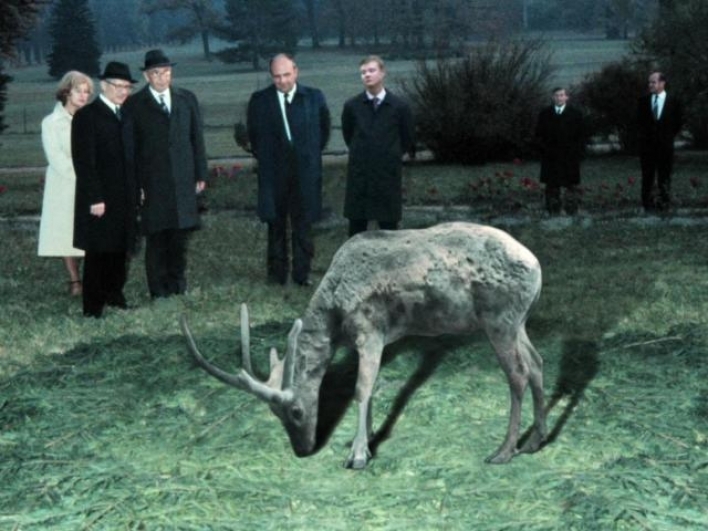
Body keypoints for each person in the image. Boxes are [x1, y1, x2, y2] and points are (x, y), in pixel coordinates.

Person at [124, 49, 208, 298]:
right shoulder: (135, 105)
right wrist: (136, 184)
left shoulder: (186, 99)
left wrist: (200, 173)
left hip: (183, 178)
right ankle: (158, 289)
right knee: (157, 236)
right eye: (156, 73)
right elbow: (131, 149)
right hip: (152, 181)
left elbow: (197, 139)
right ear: (147, 76)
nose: (162, 78)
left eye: (167, 72)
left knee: (179, 237)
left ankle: (178, 285)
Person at [247, 53, 331, 286]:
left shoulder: (314, 98)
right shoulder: (260, 101)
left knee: (303, 225)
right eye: (277, 77)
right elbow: (254, 136)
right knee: (276, 225)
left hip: (304, 175)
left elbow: (323, 131)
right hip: (274, 175)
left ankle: (302, 275)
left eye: (286, 75)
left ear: (296, 71)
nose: (282, 81)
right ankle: (276, 275)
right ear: (271, 77)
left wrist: (307, 156)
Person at [72, 62, 139, 318]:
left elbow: (132, 157)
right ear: (104, 85)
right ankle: (93, 307)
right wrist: (95, 197)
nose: (123, 92)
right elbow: (84, 162)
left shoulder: (126, 115)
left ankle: (115, 295)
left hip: (125, 195)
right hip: (100, 198)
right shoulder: (87, 116)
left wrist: (138, 188)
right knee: (99, 251)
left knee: (120, 250)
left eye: (127, 87)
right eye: (118, 86)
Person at [341, 55, 415, 237]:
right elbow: (348, 134)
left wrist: (389, 154)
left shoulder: (399, 107)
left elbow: (407, 138)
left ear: (383, 73)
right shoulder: (352, 106)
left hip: (386, 177)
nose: (367, 75)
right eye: (363, 72)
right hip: (360, 178)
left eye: (372, 70)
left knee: (389, 233)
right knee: (356, 231)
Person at [38, 71, 93, 297]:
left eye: (87, 92)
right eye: (78, 91)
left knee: (90, 231)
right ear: (66, 92)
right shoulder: (51, 122)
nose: (83, 96)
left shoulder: (91, 119)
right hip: (63, 184)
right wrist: (82, 175)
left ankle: (93, 277)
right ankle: (74, 280)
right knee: (64, 232)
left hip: (90, 184)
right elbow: (56, 157)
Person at [636, 71, 683, 212]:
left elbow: (678, 122)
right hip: (647, 147)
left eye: (653, 82)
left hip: (665, 146)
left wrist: (667, 136)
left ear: (662, 83)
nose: (650, 85)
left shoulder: (673, 101)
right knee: (647, 176)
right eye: (649, 82)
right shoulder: (643, 101)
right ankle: (647, 205)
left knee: (665, 175)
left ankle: (664, 204)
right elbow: (639, 123)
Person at [534, 86, 585, 215]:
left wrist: (577, 153)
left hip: (570, 156)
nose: (559, 98)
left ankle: (572, 210)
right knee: (551, 186)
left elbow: (581, 136)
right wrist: (544, 150)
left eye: (562, 95)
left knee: (571, 185)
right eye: (556, 95)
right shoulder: (545, 114)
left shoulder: (576, 114)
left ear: (566, 97)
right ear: (553, 97)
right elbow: (539, 135)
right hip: (551, 156)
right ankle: (552, 210)